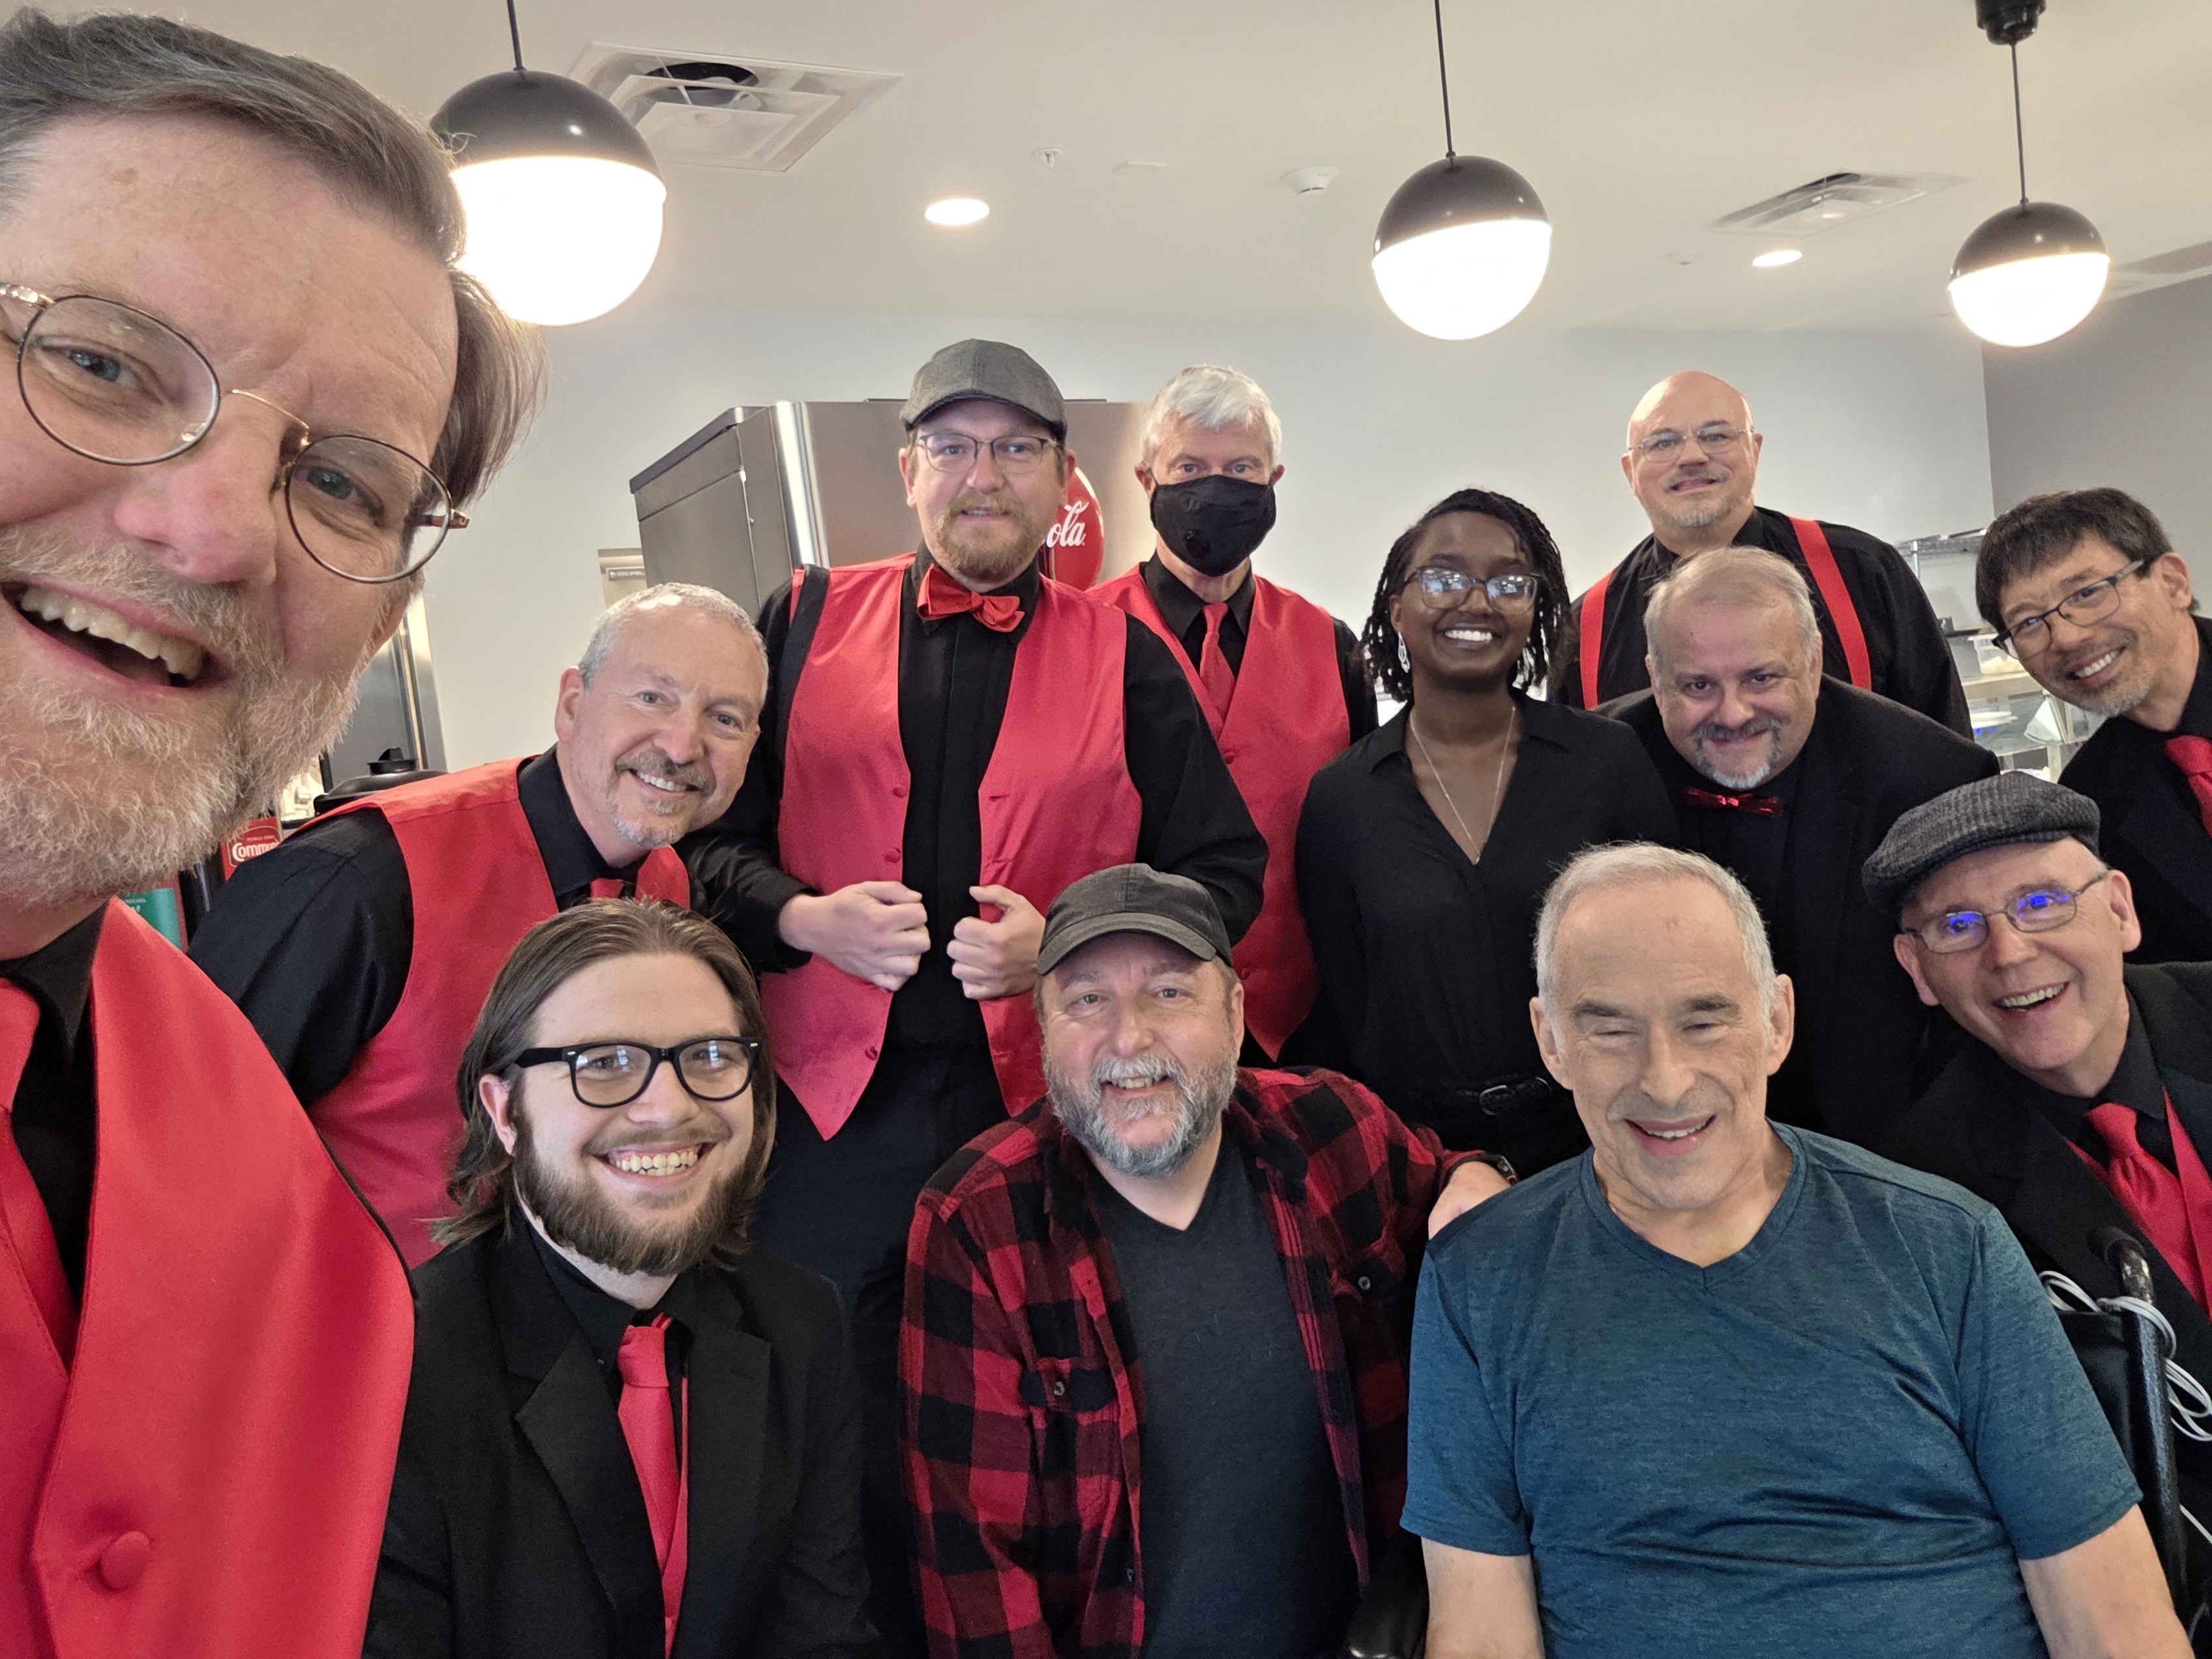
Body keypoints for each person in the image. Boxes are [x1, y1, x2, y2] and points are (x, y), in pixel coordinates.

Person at [0, 12, 537, 1659]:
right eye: (99, 360)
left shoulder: (268, 1184)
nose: (218, 527)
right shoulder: (362, 887)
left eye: (349, 486)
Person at [691, 338, 1266, 1652]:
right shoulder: (800, 616)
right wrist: (803, 915)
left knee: (1042, 1418)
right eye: (952, 446)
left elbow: (1226, 871)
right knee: (821, 1416)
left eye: (1014, 448)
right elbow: (703, 847)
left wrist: (1065, 946)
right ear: (908, 472)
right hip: (827, 1117)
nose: (981, 474)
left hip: (1044, 1113)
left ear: (1060, 477)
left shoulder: (1126, 659)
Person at [1405, 843, 2187, 1659]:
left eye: (1704, 1020)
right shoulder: (1477, 1277)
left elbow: (2109, 1617)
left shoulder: (1948, 1246)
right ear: (1550, 1039)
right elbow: (1478, 1629)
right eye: (1609, 1030)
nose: (1665, 1081)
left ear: (1776, 1022)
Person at [901, 863, 1509, 1659]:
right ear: (1044, 1030)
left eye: (1168, 993)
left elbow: (1453, 1174)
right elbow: (975, 1583)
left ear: (1233, 1010)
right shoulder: (972, 1226)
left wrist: (1480, 1171)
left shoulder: (1333, 1127)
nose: (1129, 1038)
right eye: (1087, 1000)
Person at [190, 583, 766, 1263]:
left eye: (724, 719)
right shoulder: (357, 877)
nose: (682, 743)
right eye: (652, 698)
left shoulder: (669, 885)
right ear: (573, 705)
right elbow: (190, 1147)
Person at [366, 899, 873, 1658]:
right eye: (602, 1064)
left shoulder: (802, 1323)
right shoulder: (392, 1370)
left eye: (708, 1057)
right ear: (504, 1112)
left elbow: (822, 1640)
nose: (667, 1108)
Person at [1292, 488, 1675, 1174]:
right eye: (1441, 577)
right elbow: (1348, 1003)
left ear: (1536, 610)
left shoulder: (1605, 762)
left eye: (1506, 582)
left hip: (1596, 1137)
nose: (1474, 602)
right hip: (1416, 1157)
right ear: (1394, 608)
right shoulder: (1341, 796)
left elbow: (1667, 948)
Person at [1868, 771, 2212, 1528]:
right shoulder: (1923, 1193)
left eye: (2039, 903)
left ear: (2119, 909)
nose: (2009, 954)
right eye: (1956, 926)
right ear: (1914, 968)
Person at [1604, 546, 1994, 1145]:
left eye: (1761, 678)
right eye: (1697, 685)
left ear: (1812, 666)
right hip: (1666, 1127)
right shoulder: (1598, 768)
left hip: (1890, 1136)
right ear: (1656, 680)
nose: (1731, 714)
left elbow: (1970, 995)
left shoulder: (1931, 776)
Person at [1091, 365, 1375, 1060]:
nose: (1214, 487)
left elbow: (1366, 831)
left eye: (1240, 468)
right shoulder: (1080, 637)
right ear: (1145, 479)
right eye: (1189, 466)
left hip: (1307, 1019)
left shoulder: (1331, 643)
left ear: (1272, 483)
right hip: (1127, 1023)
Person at [1549, 370, 1969, 734]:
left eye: (1716, 435)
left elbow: (1946, 752)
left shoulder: (1865, 573)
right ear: (1630, 471)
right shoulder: (1583, 629)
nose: (1692, 456)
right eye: (1662, 443)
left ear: (1755, 449)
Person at [1976, 487, 2212, 963]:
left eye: (2087, 593)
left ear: (2172, 582)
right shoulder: (2091, 799)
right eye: (2028, 623)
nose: (2066, 637)